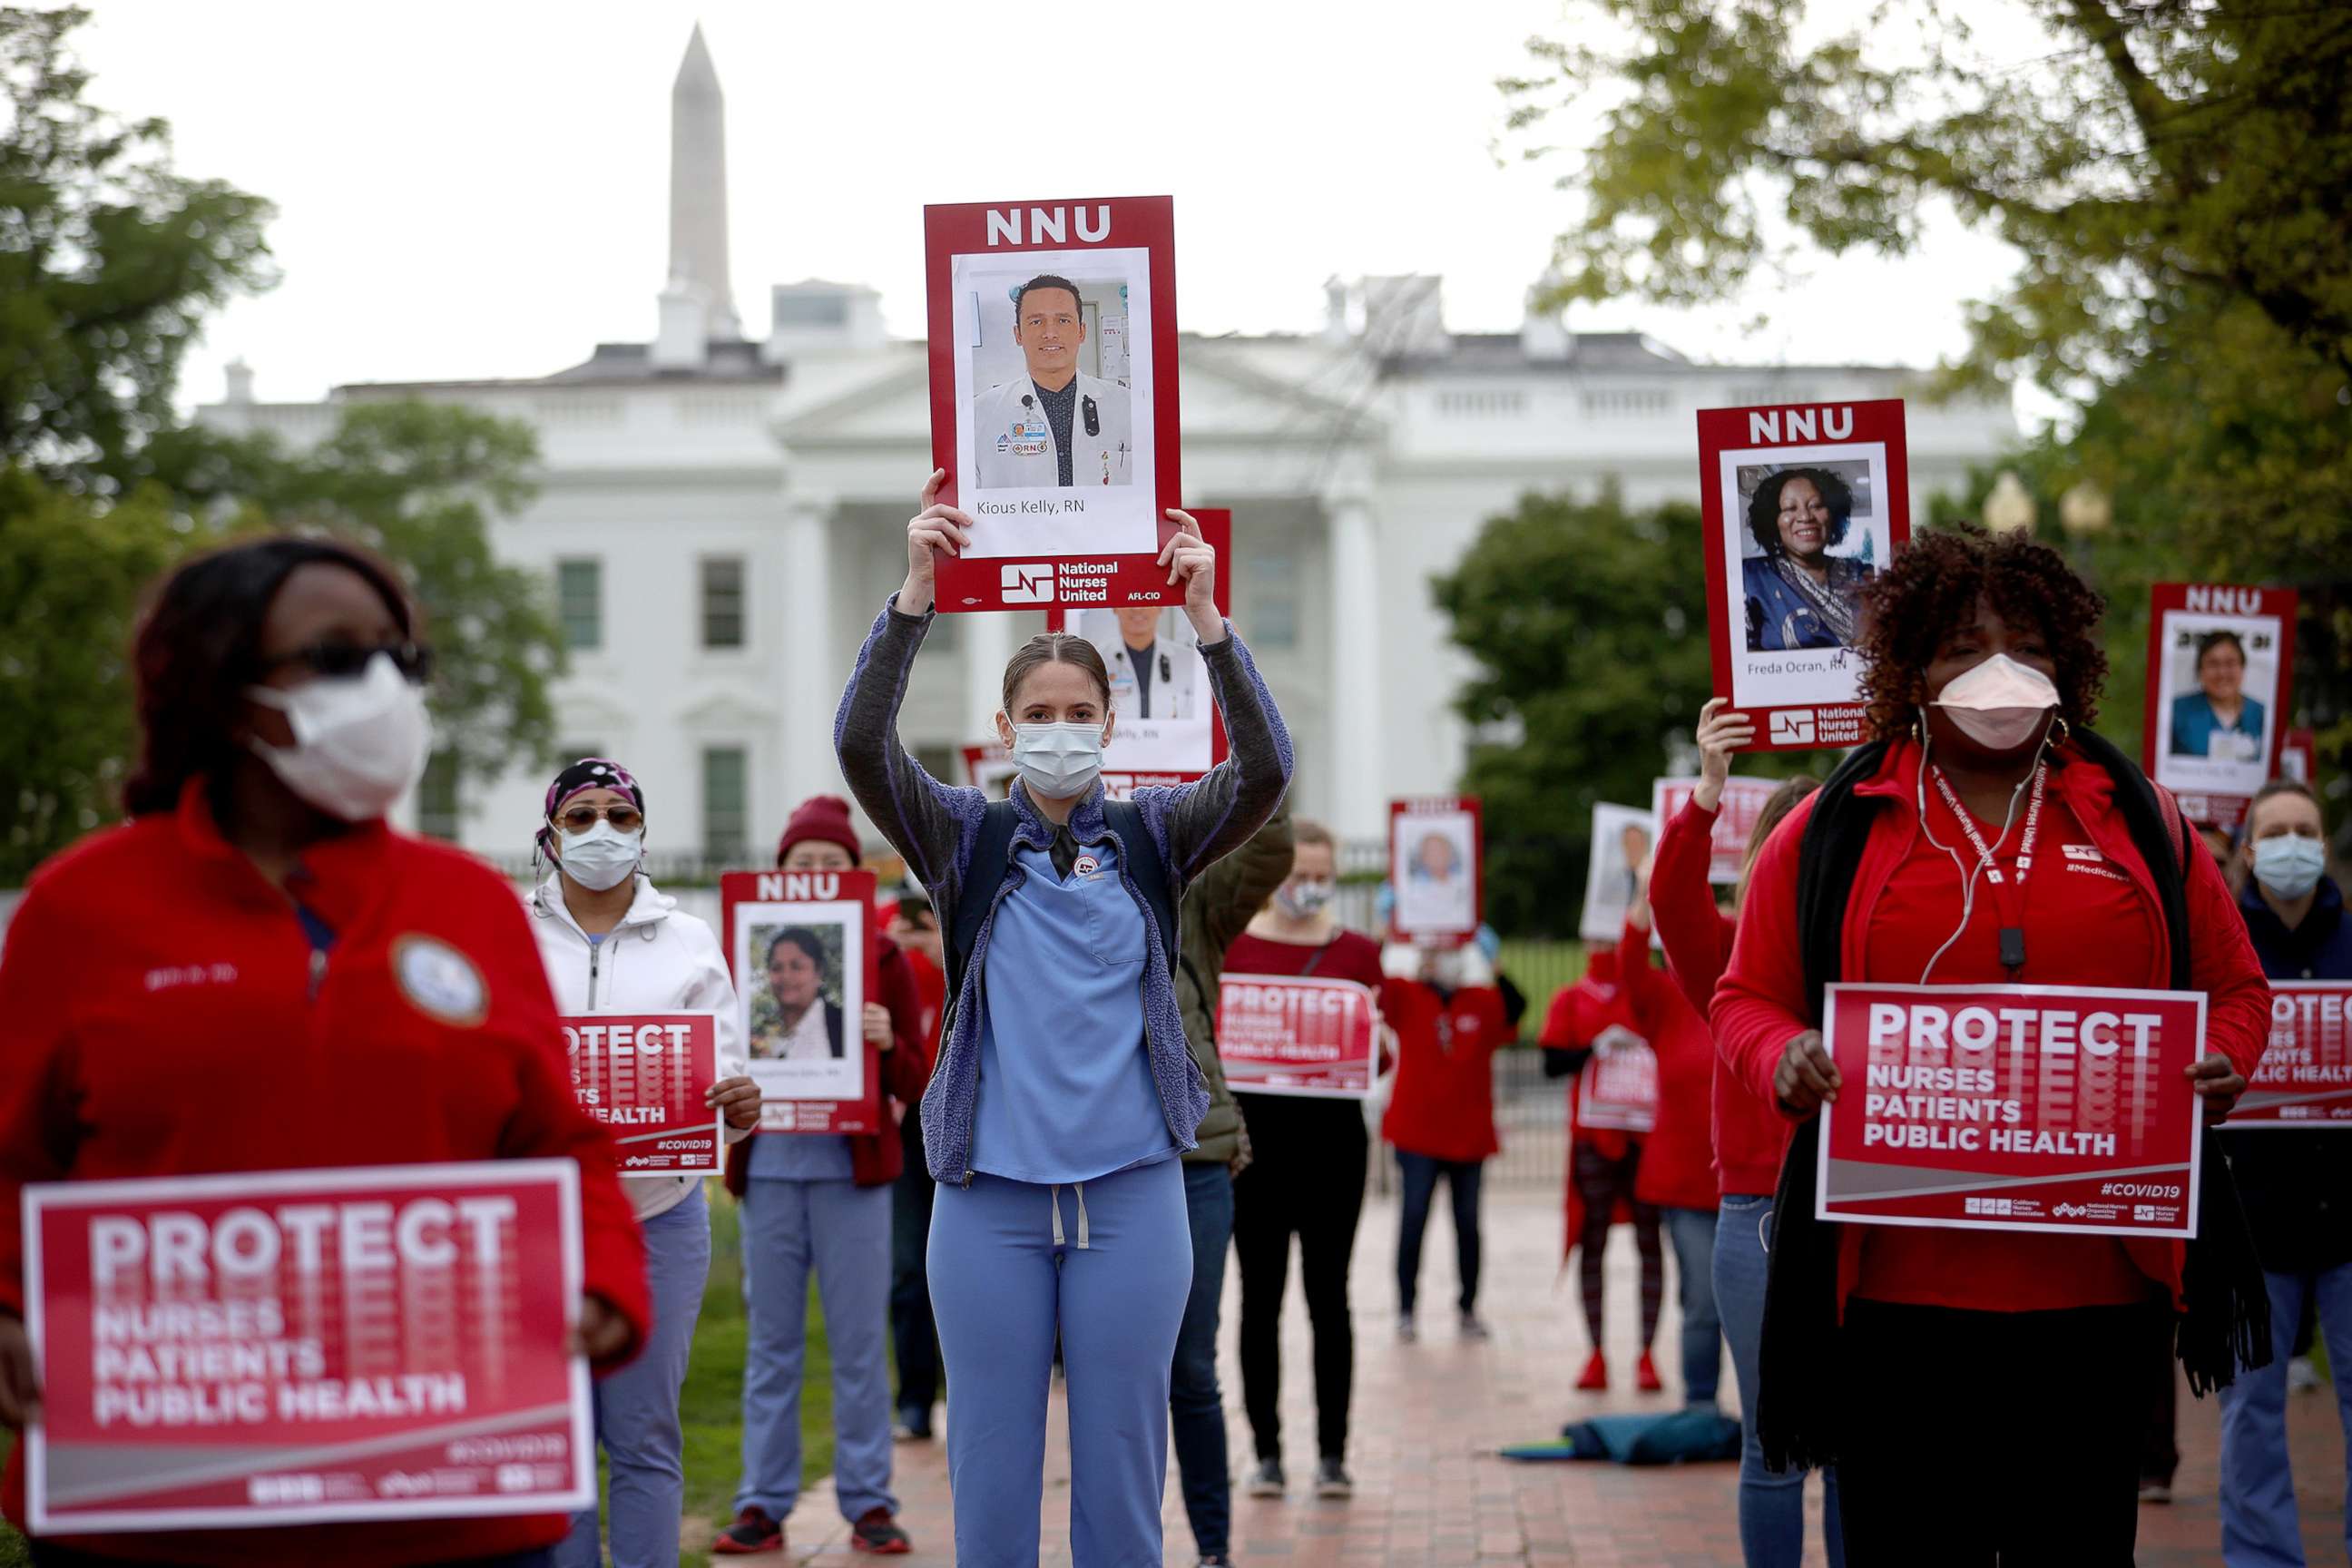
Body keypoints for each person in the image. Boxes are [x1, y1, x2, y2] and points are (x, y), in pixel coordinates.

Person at [0, 536, 650, 1568]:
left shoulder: (469, 906)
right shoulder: (78, 912)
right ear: (220, 683)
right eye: (340, 657)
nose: (385, 687)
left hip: (453, 1507)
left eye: (404, 659)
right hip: (159, 1512)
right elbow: (12, 1164)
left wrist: (601, 1283)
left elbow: (560, 1143)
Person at [1712, 524, 2271, 1561]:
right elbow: (1745, 999)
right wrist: (1783, 1056)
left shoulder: (2140, 816)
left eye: (2027, 645)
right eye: (1965, 648)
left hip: (2097, 1298)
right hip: (1893, 1301)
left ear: (2066, 662)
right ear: (1914, 670)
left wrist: (2226, 1061)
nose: (1999, 671)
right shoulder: (1832, 825)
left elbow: (2237, 988)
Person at [833, 474, 1290, 1567]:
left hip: (1134, 1193)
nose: (1059, 732)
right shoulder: (961, 837)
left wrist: (1209, 622)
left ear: (1110, 724)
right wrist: (914, 597)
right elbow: (861, 747)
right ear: (1003, 728)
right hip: (988, 1198)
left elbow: (1266, 771)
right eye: (1038, 716)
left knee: (1124, 1468)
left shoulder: (1156, 832)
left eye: (1079, 714)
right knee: (990, 1468)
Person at [529, 758, 764, 1568]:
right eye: (582, 815)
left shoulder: (690, 940)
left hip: (659, 1214)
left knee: (643, 1436)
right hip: (541, 1223)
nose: (602, 831)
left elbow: (725, 1064)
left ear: (643, 833)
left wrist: (740, 1100)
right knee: (553, 1443)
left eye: (620, 817)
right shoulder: (508, 933)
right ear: (550, 835)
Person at [1646, 700, 1838, 1567]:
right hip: (1758, 1222)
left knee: (1853, 1449)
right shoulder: (1726, 957)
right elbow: (1673, 900)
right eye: (1785, 849)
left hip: (1859, 1218)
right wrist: (1709, 790)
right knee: (1774, 1446)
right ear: (1759, 863)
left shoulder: (1872, 964)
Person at [714, 796, 928, 1557]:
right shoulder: (742, 955)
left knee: (859, 1343)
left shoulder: (883, 960)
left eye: (828, 865)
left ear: (853, 875)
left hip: (853, 1176)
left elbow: (916, 1081)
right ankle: (762, 1502)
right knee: (772, 1345)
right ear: (779, 875)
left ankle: (869, 1499)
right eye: (800, 864)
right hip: (770, 1168)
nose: (813, 876)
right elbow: (718, 1059)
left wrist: (886, 1038)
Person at [1226, 818, 1387, 1503]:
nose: (1310, 888)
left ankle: (1332, 1453)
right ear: (1272, 877)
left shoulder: (1359, 953)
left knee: (1330, 1298)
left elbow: (1373, 1057)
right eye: (1299, 876)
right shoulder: (1232, 948)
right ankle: (1265, 1452)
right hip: (1253, 1148)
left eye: (1322, 876)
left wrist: (1382, 1040)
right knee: (1259, 1300)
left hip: (1333, 1148)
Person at [2219, 778, 2352, 1567]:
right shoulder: (2220, 952)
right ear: (2248, 850)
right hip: (2251, 1227)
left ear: (2324, 846)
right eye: (2277, 831)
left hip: (2350, 1224)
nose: (2294, 843)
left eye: (2306, 828)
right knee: (2249, 1417)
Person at [1168, 800, 1294, 1560]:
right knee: (1109, 1374)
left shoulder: (1194, 895)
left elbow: (1269, 850)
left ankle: (1212, 1546)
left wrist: (1226, 737)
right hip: (1091, 1166)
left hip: (1193, 1165)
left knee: (1191, 1367)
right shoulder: (1050, 876)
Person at [1539, 937, 1665, 1396]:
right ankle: (1596, 1353)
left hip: (1645, 1138)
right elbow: (1550, 1062)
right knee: (1592, 1242)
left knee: (1650, 1242)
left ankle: (1647, 1353)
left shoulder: (1653, 992)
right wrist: (1592, 1048)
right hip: (1592, 1139)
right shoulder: (1571, 999)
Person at [1384, 942, 1516, 1343]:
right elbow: (1375, 988)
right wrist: (1397, 938)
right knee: (1413, 1219)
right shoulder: (1408, 994)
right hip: (1416, 1132)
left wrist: (1495, 963)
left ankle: (1468, 1308)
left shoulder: (1481, 1000)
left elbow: (1516, 1009)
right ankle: (1406, 1309)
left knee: (1468, 1225)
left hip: (1468, 1135)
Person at [971, 274, 1133, 489]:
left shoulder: (1128, 405)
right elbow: (963, 506)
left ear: (1081, 332)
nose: (1050, 333)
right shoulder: (979, 414)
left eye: (1063, 320)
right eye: (1036, 321)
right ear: (1018, 334)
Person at [884, 892, 946, 1442]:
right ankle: (915, 1401)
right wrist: (895, 948)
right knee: (908, 1266)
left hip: (971, 1115)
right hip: (909, 1120)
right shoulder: (884, 921)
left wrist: (942, 947)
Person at [1740, 466, 1875, 652]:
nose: (1805, 517)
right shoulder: (1751, 578)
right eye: (1790, 508)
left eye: (1816, 506)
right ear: (1772, 520)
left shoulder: (1865, 575)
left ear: (1832, 515)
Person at [2170, 629, 2267, 760]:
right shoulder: (2177, 711)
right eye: (2213, 664)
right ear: (2200, 670)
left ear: (2242, 667)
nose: (2222, 673)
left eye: (2230, 663)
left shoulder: (2262, 713)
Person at [1095, 606, 1200, 722]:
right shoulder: (1096, 659)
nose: (1137, 609)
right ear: (1115, 608)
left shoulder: (1190, 660)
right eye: (1129, 600)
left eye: (1147, 599)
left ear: (1160, 608)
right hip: (1117, 739)